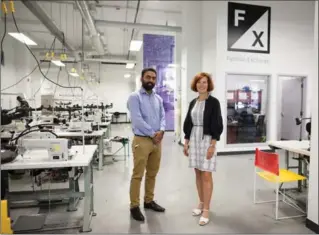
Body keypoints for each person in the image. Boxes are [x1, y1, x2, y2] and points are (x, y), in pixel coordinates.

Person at [183, 72, 223, 226]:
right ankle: (200, 202)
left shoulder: (214, 102)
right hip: (194, 137)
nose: (201, 85)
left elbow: (217, 124)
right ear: (195, 85)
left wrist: (213, 144)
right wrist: (186, 142)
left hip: (207, 139)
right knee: (198, 172)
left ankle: (206, 209)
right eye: (199, 82)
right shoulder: (193, 102)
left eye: (204, 82)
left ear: (208, 85)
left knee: (206, 175)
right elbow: (188, 123)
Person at [127, 68, 166, 222]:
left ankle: (148, 201)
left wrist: (162, 131)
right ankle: (134, 206)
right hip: (142, 140)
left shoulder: (158, 99)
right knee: (138, 175)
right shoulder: (134, 97)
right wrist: (153, 134)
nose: (151, 80)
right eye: (148, 77)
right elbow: (137, 120)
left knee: (152, 173)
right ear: (142, 78)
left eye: (153, 78)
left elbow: (163, 117)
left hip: (157, 141)